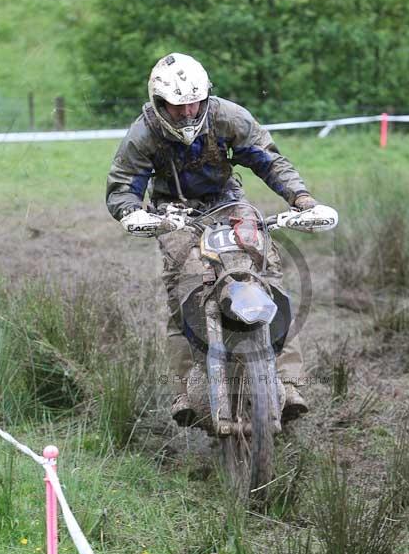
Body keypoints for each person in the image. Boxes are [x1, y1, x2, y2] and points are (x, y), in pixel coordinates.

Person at [106, 52, 319, 425]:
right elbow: (123, 186)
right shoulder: (144, 133)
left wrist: (301, 199)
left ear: (206, 97)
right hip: (172, 212)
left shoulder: (227, 117)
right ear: (160, 104)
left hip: (228, 201)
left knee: (267, 271)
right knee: (183, 286)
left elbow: (268, 160)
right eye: (179, 107)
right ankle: (183, 389)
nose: (189, 113)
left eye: (195, 104)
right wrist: (133, 214)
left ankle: (288, 380)